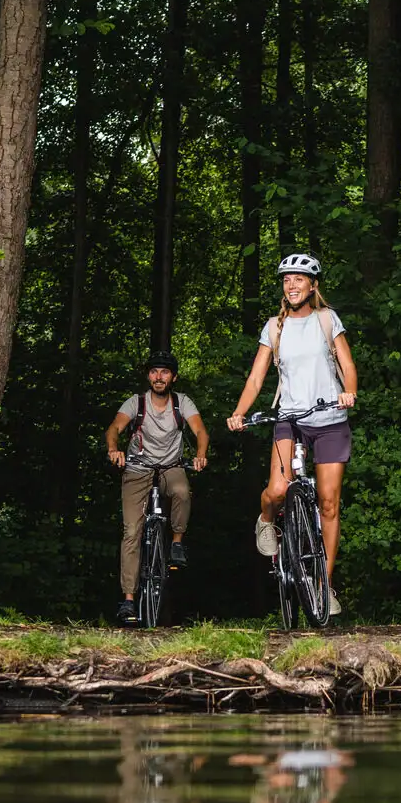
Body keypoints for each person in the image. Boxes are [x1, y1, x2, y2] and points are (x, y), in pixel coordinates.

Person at [225, 253, 358, 618]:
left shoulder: (327, 320)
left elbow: (347, 365)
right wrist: (239, 413)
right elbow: (256, 378)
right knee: (279, 490)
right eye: (287, 280)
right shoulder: (274, 327)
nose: (292, 285)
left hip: (329, 418)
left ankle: (323, 586)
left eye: (300, 279)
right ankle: (266, 519)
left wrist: (349, 391)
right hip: (290, 418)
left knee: (329, 503)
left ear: (313, 285)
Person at [106, 350, 208, 625]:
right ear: (148, 376)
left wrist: (200, 454)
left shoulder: (181, 402)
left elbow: (200, 431)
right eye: (154, 371)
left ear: (173, 377)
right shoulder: (136, 403)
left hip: (170, 466)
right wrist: (114, 449)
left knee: (182, 492)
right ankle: (128, 600)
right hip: (137, 468)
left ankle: (176, 544)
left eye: (164, 372)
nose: (158, 376)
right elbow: (114, 427)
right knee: (131, 532)